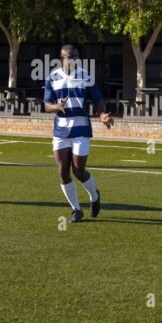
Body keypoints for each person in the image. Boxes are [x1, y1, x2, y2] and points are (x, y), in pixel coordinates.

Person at [44, 45, 113, 222]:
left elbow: (97, 99)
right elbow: (46, 104)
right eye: (70, 57)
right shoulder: (52, 77)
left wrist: (102, 114)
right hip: (60, 130)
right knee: (62, 171)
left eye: (76, 56)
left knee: (79, 171)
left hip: (81, 129)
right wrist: (56, 107)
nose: (74, 60)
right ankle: (76, 209)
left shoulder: (86, 75)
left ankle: (94, 196)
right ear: (62, 59)